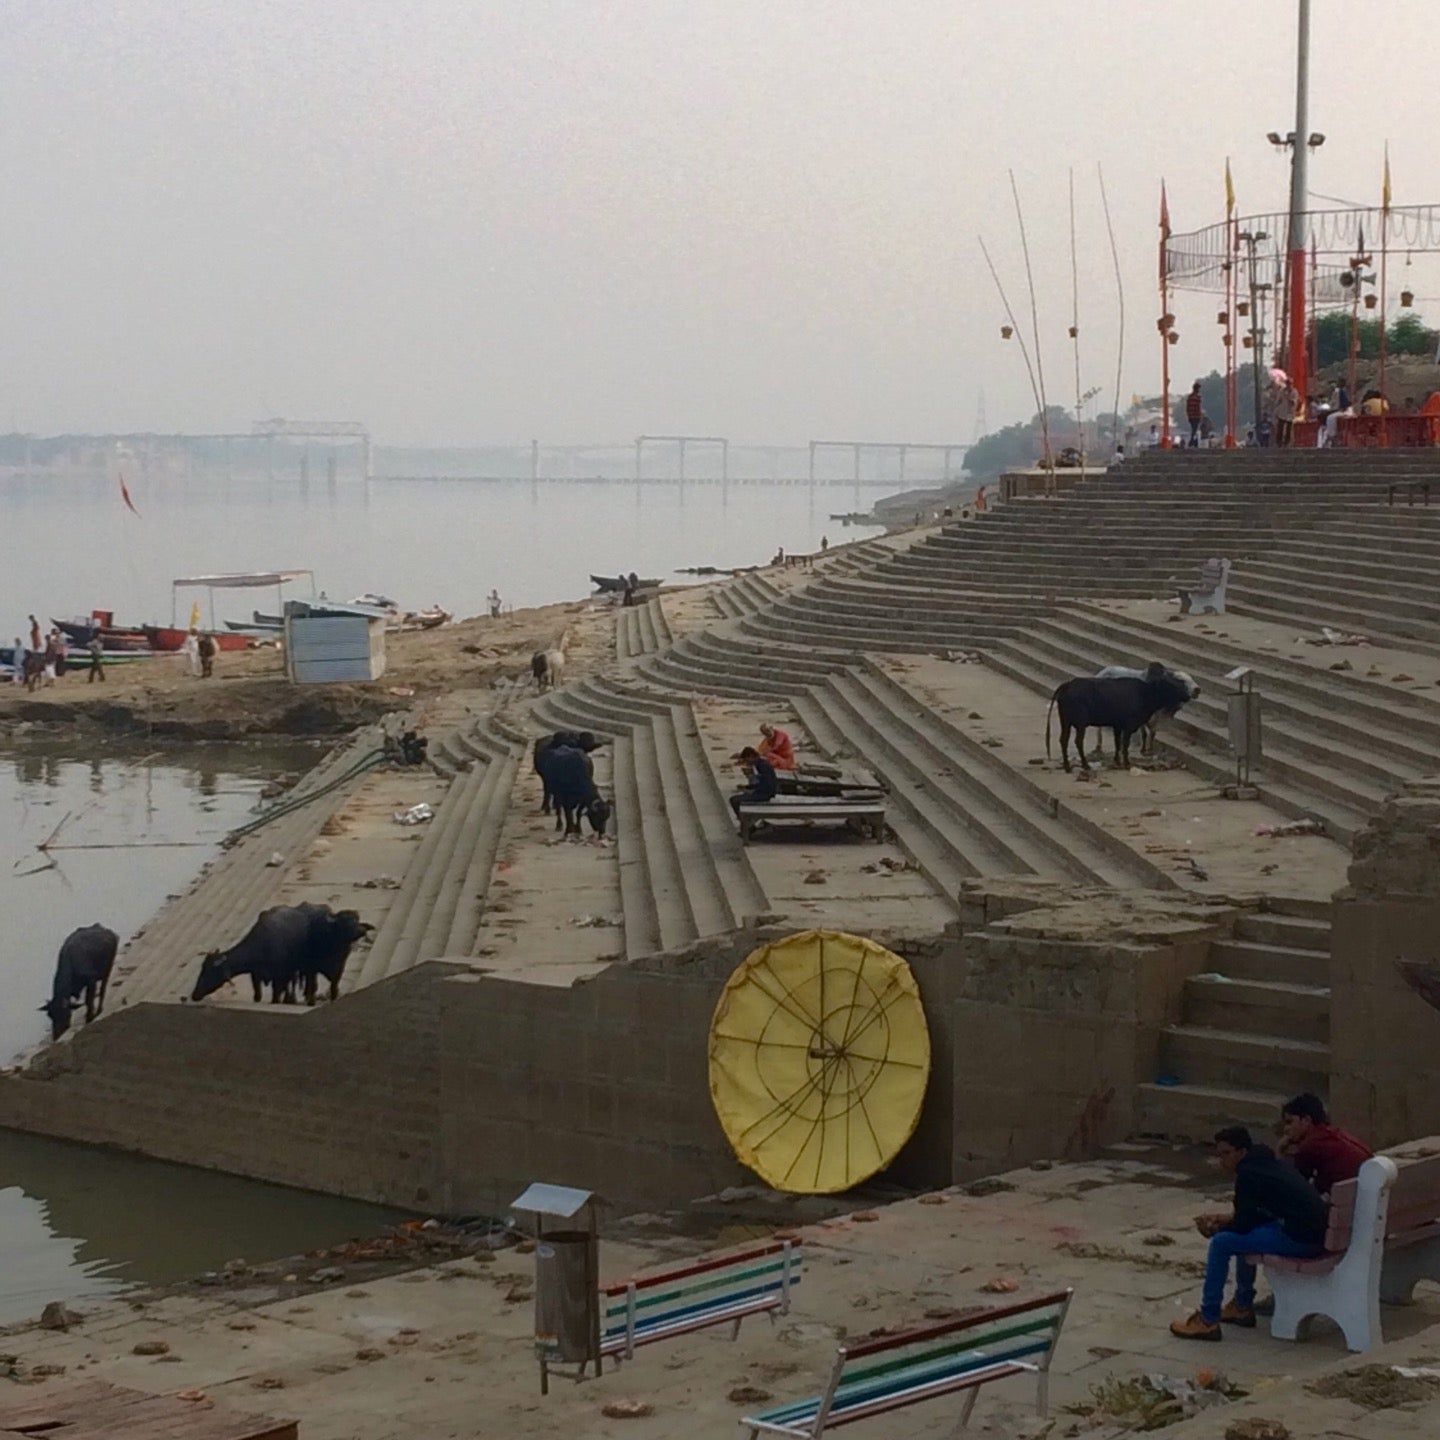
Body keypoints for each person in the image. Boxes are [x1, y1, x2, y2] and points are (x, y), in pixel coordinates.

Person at [1170, 1126, 1328, 1341]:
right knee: (1245, 1238)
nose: (1221, 1161)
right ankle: (1242, 1305)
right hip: (1313, 1234)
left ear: (1241, 1152)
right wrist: (1227, 1219)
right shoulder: (1266, 1163)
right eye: (1219, 1154)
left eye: (1226, 1154)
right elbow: (1253, 1216)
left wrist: (1217, 1229)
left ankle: (1208, 1319)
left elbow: (1243, 1225)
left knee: (1222, 1243)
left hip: (1300, 1239)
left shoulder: (1248, 1174)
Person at [1279, 1093, 1371, 1198]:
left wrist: (1280, 1151)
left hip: (1349, 1201)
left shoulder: (1310, 1145)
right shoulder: (1332, 1133)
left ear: (1306, 1120)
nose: (1285, 1129)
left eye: (1289, 1122)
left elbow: (1292, 1185)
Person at [729, 746, 778, 820]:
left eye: (747, 760)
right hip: (762, 791)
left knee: (734, 800)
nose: (747, 762)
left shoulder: (763, 766)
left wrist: (752, 791)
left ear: (751, 756)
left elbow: (768, 784)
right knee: (737, 798)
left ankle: (744, 821)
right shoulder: (760, 764)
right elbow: (762, 782)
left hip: (765, 794)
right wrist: (748, 787)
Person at [1185, 381, 1204, 447]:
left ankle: (1193, 441)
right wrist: (1200, 415)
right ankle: (1192, 441)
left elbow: (1187, 407)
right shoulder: (1198, 398)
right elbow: (1198, 408)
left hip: (1191, 416)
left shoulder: (1190, 397)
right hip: (1196, 416)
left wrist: (1188, 415)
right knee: (1194, 429)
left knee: (1194, 429)